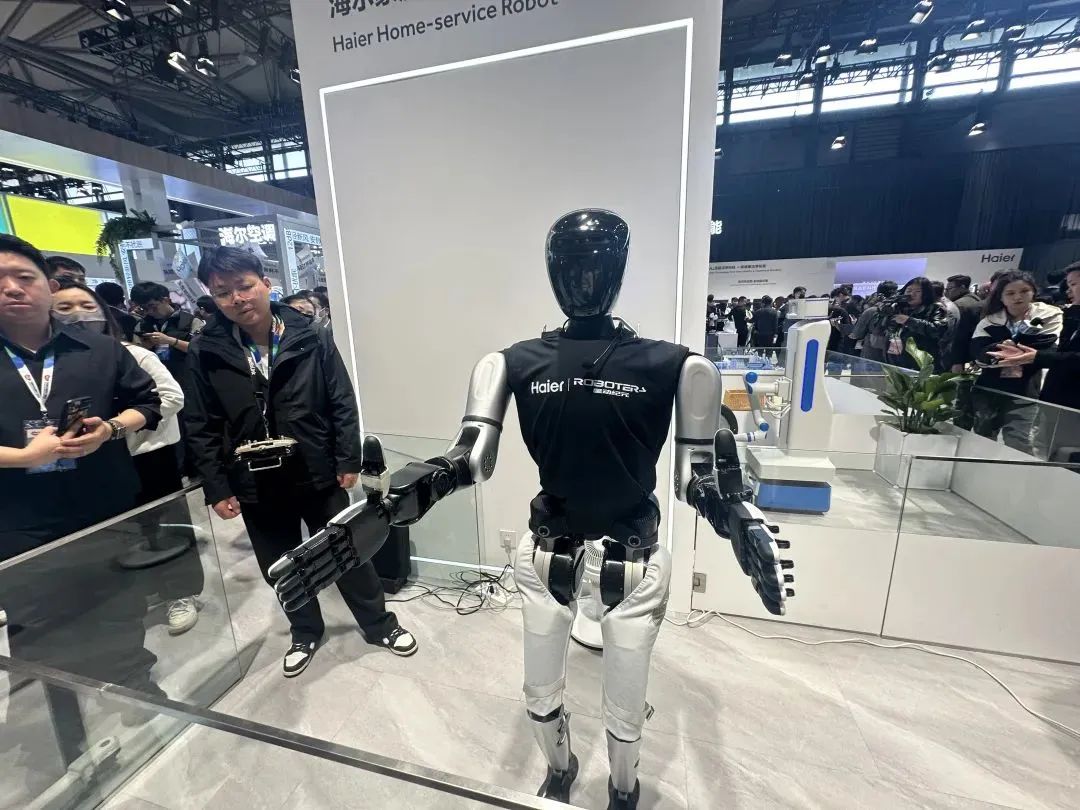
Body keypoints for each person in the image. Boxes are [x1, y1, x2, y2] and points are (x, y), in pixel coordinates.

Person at [185, 247, 416, 677]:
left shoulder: (310, 334)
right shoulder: (206, 349)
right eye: (222, 292)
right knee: (279, 563)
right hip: (254, 477)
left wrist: (347, 458)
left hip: (316, 467)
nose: (236, 298)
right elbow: (200, 422)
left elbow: (341, 399)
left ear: (265, 283)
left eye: (244, 286)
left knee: (347, 552)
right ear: (212, 297)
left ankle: (379, 624)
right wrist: (217, 486)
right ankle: (305, 630)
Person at [51, 280, 202, 634]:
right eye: (64, 308)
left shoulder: (134, 354)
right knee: (124, 534)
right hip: (94, 464)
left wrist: (117, 427)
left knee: (165, 526)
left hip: (148, 453)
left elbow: (171, 398)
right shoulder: (52, 365)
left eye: (87, 306)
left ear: (105, 313)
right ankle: (141, 590)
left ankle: (179, 592)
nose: (78, 316)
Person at [0, 234, 161, 558]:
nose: (12, 288)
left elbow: (147, 403)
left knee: (126, 588)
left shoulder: (101, 348)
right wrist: (24, 457)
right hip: (16, 518)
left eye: (25, 277)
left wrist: (109, 430)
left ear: (51, 287)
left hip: (108, 505)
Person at [988, 264, 1080, 461]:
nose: (1068, 290)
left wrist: (1036, 357)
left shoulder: (1049, 315)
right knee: (1047, 451)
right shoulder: (1071, 315)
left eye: (1073, 284)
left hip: (1071, 405)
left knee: (1064, 458)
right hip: (1055, 399)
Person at [970, 270, 1063, 454]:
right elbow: (979, 354)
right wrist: (1021, 351)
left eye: (1024, 291)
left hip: (1026, 390)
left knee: (1020, 441)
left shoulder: (1048, 315)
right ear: (1001, 297)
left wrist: (1003, 350)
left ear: (1033, 292)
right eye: (1010, 293)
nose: (1017, 297)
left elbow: (1049, 350)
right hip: (989, 388)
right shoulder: (989, 320)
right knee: (982, 438)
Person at [882, 277, 949, 369]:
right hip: (894, 359)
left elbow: (938, 330)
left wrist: (909, 321)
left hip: (921, 362)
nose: (912, 294)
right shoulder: (898, 307)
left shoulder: (936, 308)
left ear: (926, 293)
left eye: (918, 291)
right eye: (909, 290)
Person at [944, 274, 983, 373]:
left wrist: (956, 361)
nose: (946, 292)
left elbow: (957, 335)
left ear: (962, 287)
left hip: (956, 358)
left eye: (949, 289)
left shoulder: (959, 305)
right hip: (971, 356)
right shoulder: (976, 300)